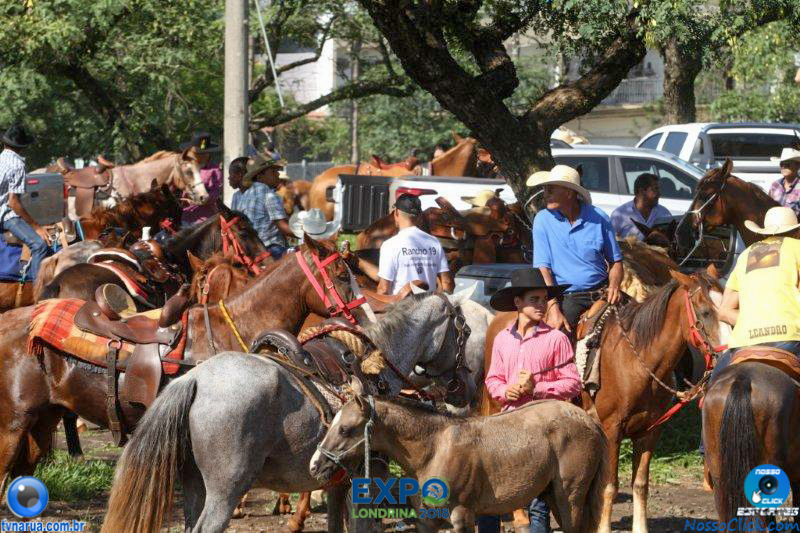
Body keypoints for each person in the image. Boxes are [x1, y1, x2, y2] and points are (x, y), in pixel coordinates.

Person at [481, 267, 581, 533]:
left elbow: (573, 384)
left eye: (544, 299)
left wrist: (536, 389)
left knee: (538, 502)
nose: (541, 305)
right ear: (517, 302)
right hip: (507, 425)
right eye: (534, 299)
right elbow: (493, 379)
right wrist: (506, 392)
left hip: (541, 429)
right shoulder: (502, 340)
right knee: (489, 495)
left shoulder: (557, 339)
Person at [529, 165, 623, 333]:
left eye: (550, 190)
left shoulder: (599, 217)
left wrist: (614, 286)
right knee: (559, 335)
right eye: (545, 189)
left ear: (568, 193)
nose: (545, 194)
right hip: (568, 297)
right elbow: (543, 268)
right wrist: (552, 305)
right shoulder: (542, 220)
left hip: (602, 292)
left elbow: (616, 262)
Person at [712, 206, 800, 381]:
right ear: (797, 232)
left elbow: (724, 311)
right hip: (790, 339)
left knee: (712, 385)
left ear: (764, 233)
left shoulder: (746, 254)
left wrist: (754, 322)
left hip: (744, 342)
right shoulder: (797, 247)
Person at [374, 194, 453, 295]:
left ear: (396, 213)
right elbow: (447, 282)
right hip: (431, 303)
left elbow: (383, 289)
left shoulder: (390, 245)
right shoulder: (434, 242)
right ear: (419, 216)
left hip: (403, 304)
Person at [0, 124, 49, 280]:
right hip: (5, 215)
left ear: (4, 143)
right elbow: (13, 203)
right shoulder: (17, 165)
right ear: (22, 147)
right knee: (39, 245)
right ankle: (37, 289)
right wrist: (37, 227)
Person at [231, 154, 293, 259]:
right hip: (272, 249)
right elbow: (283, 227)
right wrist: (307, 233)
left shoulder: (243, 195)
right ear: (260, 176)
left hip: (251, 251)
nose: (278, 174)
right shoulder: (269, 195)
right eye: (273, 172)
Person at [610, 173, 672, 240]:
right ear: (641, 191)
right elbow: (611, 241)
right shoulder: (619, 215)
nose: (659, 193)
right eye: (655, 189)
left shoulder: (664, 213)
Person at [180, 132, 223, 225]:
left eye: (204, 153)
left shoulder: (215, 171)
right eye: (197, 153)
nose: (201, 156)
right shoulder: (184, 168)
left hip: (205, 219)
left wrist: (197, 200)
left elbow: (215, 193)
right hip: (184, 215)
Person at [768, 147, 800, 218]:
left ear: (798, 166)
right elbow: (768, 207)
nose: (783, 167)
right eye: (781, 164)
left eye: (787, 164)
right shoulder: (775, 185)